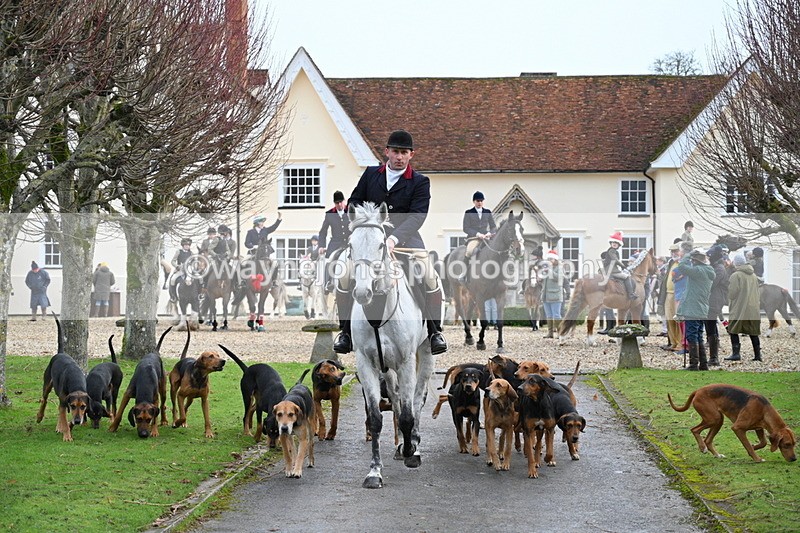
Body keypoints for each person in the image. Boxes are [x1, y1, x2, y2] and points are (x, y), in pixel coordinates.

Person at [332, 129, 447, 355]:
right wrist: (364, 224)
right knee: (345, 275)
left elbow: (418, 215)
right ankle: (345, 331)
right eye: (395, 152)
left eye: (404, 152)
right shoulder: (371, 174)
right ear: (387, 152)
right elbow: (354, 202)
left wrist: (394, 237)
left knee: (427, 274)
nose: (399, 157)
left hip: (406, 241)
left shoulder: (420, 182)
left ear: (411, 155)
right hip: (369, 239)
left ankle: (435, 332)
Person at [673, 248, 715, 371]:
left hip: (693, 307)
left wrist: (688, 254)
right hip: (701, 307)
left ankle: (693, 364)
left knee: (692, 335)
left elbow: (682, 267)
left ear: (696, 261)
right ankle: (703, 364)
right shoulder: (708, 270)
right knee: (698, 335)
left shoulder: (698, 271)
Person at [725, 253, 762, 362]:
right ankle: (757, 355)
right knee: (753, 331)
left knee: (733, 329)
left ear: (736, 263)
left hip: (740, 307)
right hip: (753, 308)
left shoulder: (736, 275)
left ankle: (736, 354)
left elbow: (732, 293)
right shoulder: (753, 275)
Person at [318, 191, 351, 293]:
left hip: (349, 243)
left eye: (341, 202)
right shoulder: (329, 214)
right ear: (334, 203)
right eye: (337, 203)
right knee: (330, 260)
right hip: (335, 243)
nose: (339, 205)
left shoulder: (351, 212)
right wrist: (321, 246)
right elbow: (323, 232)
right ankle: (328, 283)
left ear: (344, 201)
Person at [704, 245, 730, 366]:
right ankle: (712, 355)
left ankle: (714, 358)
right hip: (711, 300)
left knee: (711, 326)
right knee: (710, 327)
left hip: (715, 300)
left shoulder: (719, 268)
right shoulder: (715, 267)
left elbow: (711, 283)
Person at [658, 243, 684, 352]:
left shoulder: (684, 263)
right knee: (669, 319)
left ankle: (680, 343)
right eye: (672, 251)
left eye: (676, 251)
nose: (674, 253)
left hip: (678, 295)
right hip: (668, 294)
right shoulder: (671, 263)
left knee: (678, 319)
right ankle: (673, 342)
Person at [462, 191, 497, 258]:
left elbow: (493, 227)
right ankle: (466, 268)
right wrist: (477, 234)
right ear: (474, 201)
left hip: (486, 237)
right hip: (474, 238)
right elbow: (465, 228)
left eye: (481, 201)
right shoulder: (468, 212)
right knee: (469, 252)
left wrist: (489, 233)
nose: (480, 203)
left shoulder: (487, 212)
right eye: (478, 201)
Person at [540, 249, 565, 339]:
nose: (550, 261)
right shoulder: (546, 268)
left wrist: (550, 270)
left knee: (556, 315)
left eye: (552, 259)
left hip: (555, 295)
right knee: (549, 315)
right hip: (546, 294)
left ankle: (559, 333)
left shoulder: (560, 268)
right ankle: (550, 332)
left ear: (555, 260)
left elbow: (558, 278)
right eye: (549, 259)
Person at [603, 231, 636, 300]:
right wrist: (623, 266)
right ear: (611, 243)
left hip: (608, 270)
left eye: (616, 243)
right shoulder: (612, 251)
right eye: (613, 242)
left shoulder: (611, 251)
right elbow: (615, 260)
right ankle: (631, 294)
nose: (614, 244)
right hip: (612, 271)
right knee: (627, 277)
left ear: (619, 245)